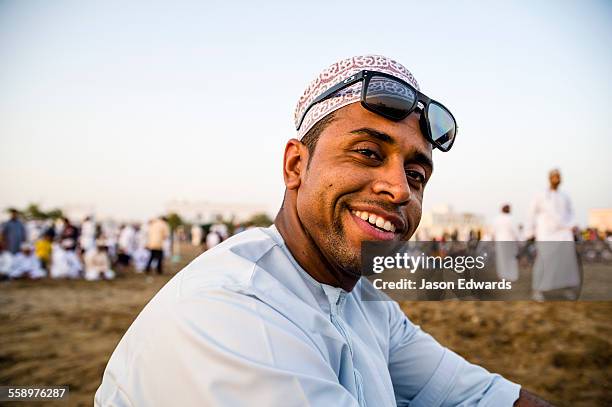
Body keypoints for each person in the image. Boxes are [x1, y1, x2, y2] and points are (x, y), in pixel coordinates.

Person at [96, 55, 550, 406]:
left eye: (416, 174)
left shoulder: (366, 306)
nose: (399, 190)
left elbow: (477, 395)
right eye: (368, 153)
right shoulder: (229, 311)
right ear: (296, 165)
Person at [527, 168, 580, 301]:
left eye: (559, 177)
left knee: (566, 260)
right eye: (554, 177)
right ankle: (537, 289)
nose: (557, 179)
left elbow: (571, 213)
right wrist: (530, 231)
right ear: (550, 178)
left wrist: (572, 225)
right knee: (544, 260)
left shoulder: (565, 196)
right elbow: (531, 213)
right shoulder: (540, 195)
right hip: (546, 232)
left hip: (563, 232)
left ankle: (567, 287)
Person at [492, 204, 519, 281]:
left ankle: (502, 276)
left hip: (500, 241)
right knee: (511, 259)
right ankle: (512, 276)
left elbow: (494, 232)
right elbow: (515, 231)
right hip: (510, 240)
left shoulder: (496, 219)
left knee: (501, 259)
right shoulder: (511, 218)